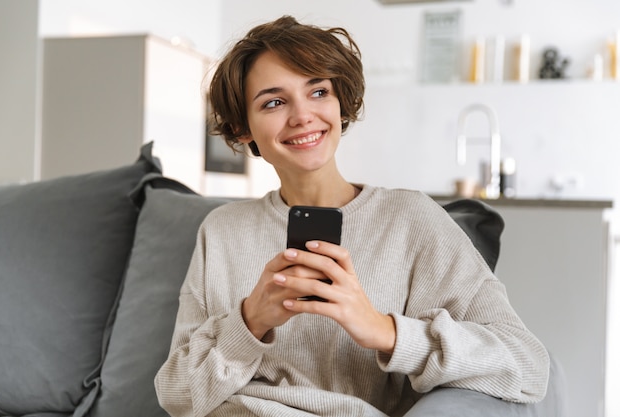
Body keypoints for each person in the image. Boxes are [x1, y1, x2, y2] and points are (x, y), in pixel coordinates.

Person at [154, 15, 549, 417]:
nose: (302, 115)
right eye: (274, 101)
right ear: (242, 129)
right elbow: (176, 396)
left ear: (341, 102)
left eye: (318, 91)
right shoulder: (222, 230)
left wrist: (385, 332)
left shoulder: (412, 220)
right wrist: (250, 321)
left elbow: (526, 365)